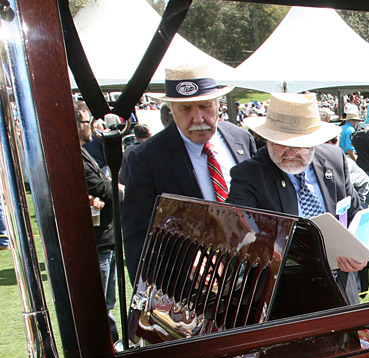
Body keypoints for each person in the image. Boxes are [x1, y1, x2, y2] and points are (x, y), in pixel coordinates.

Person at [227, 93, 365, 306]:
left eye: (301, 145)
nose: (291, 153)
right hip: (287, 301)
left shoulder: (334, 159)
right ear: (267, 138)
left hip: (342, 293)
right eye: (281, 144)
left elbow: (355, 213)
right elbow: (238, 233)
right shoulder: (248, 176)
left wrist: (360, 252)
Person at [121, 63, 257, 281]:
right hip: (192, 285)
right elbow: (139, 236)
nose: (198, 118)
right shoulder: (147, 158)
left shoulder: (240, 138)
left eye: (205, 106)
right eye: (186, 109)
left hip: (251, 275)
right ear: (170, 110)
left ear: (217, 104)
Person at [76, 102, 119, 342]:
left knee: (108, 301)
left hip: (106, 237)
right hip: (97, 241)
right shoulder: (74, 155)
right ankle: (108, 347)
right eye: (86, 121)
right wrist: (120, 191)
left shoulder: (83, 152)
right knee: (102, 304)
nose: (91, 126)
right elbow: (101, 187)